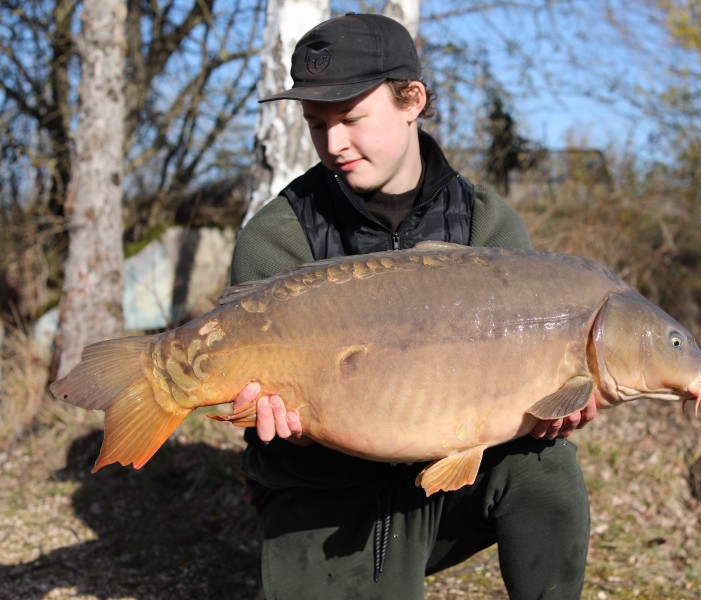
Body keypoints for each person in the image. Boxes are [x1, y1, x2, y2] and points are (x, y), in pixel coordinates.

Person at [229, 13, 597, 600]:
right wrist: (279, 426)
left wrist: (557, 403)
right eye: (316, 123)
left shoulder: (488, 224)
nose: (334, 143)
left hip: (456, 486)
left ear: (412, 100)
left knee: (547, 471)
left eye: (351, 118)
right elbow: (258, 399)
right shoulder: (278, 235)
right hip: (328, 497)